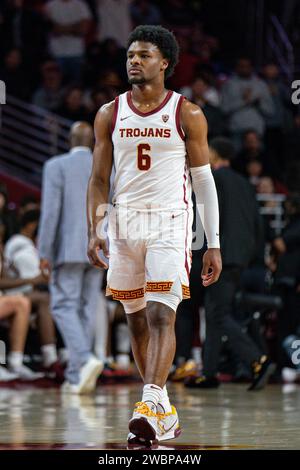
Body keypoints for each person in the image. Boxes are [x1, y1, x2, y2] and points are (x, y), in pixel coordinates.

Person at [87, 25, 222, 445]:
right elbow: (97, 179)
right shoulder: (109, 113)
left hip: (169, 221)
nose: (133, 61)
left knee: (162, 313)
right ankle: (161, 413)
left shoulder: (187, 113)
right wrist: (95, 229)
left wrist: (212, 241)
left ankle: (147, 401)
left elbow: (203, 182)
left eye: (143, 55)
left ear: (164, 62)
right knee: (136, 321)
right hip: (124, 223)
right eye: (130, 54)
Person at [185, 137, 275, 391]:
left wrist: (198, 252)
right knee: (215, 312)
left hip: (218, 255)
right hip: (242, 258)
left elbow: (203, 220)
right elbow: (258, 223)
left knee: (217, 313)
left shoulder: (211, 179)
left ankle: (258, 359)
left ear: (213, 153)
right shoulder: (245, 184)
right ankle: (210, 372)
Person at [38, 121, 103, 394]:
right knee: (87, 307)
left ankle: (85, 360)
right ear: (91, 141)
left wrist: (44, 251)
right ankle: (77, 374)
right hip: (100, 247)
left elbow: (51, 212)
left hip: (68, 247)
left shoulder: (56, 166)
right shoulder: (105, 166)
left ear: (69, 140)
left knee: (63, 306)